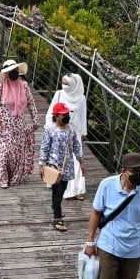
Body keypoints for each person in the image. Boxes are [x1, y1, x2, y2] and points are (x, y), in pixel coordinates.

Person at [0, 59, 39, 188]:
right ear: (6, 73)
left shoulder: (24, 86)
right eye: (11, 71)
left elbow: (30, 103)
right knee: (4, 152)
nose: (14, 73)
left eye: (15, 70)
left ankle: (14, 176)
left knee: (17, 153)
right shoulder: (0, 86)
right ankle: (2, 178)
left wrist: (35, 119)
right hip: (3, 125)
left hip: (19, 125)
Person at [38, 102, 84, 232]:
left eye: (67, 114)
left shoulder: (71, 130)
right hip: (53, 166)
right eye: (64, 114)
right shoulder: (50, 130)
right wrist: (42, 164)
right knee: (57, 192)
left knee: (63, 189)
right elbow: (44, 147)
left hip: (67, 166)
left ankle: (55, 206)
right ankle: (57, 217)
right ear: (57, 116)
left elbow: (76, 146)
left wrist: (81, 161)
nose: (66, 116)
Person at [46, 73, 88, 201]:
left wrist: (82, 134)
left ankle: (77, 189)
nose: (64, 86)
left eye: (67, 84)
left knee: (76, 160)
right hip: (59, 130)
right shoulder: (59, 94)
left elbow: (82, 117)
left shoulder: (81, 99)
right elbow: (51, 112)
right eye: (63, 83)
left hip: (74, 132)